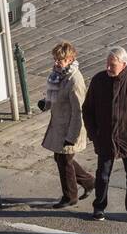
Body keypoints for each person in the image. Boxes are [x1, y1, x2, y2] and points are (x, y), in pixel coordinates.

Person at [80, 46, 127, 223]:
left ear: (124, 64)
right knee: (103, 175)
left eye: (112, 65)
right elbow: (88, 109)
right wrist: (94, 134)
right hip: (105, 137)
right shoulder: (99, 80)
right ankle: (99, 207)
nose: (108, 68)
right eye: (107, 64)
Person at [39, 41, 95, 209]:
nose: (56, 63)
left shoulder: (75, 81)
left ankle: (70, 196)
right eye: (55, 59)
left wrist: (72, 137)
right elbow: (53, 96)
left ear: (70, 60)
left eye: (60, 60)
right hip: (59, 125)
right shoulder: (57, 75)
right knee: (62, 158)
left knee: (64, 160)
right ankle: (89, 182)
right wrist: (46, 103)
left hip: (69, 129)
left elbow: (79, 112)